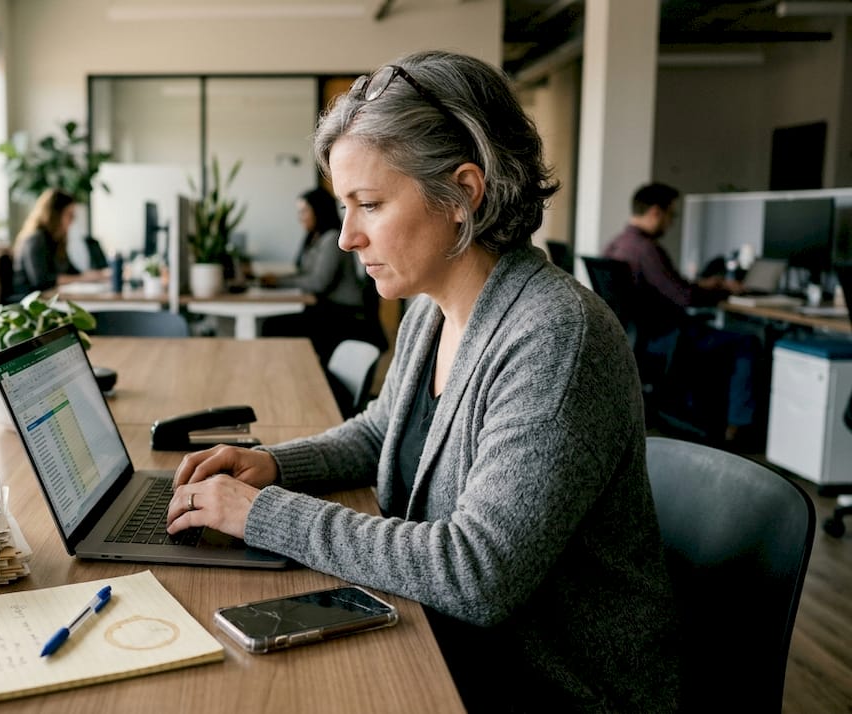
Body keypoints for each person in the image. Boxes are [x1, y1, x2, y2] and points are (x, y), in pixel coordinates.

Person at [164, 51, 678, 712]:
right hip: (447, 643)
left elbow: (476, 572)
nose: (348, 237)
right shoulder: (432, 310)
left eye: (369, 204)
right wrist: (271, 464)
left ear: (464, 193)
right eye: (342, 207)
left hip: (551, 685)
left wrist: (262, 513)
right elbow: (387, 430)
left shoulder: (554, 336)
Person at [603, 182, 761, 445]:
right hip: (666, 337)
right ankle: (738, 430)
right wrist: (722, 290)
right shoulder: (647, 249)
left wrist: (700, 284)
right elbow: (684, 297)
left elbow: (668, 286)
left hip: (638, 338)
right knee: (747, 342)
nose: (672, 222)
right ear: (656, 212)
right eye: (671, 215)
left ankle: (714, 418)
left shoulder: (617, 244)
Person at [259, 187, 385, 362]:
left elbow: (318, 282)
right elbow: (304, 274)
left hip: (344, 314)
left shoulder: (332, 239)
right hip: (329, 308)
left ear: (318, 210)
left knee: (273, 326)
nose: (300, 217)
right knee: (274, 324)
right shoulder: (315, 238)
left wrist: (277, 282)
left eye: (304, 211)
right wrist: (276, 280)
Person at [7, 188, 105, 301]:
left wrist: (98, 275)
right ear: (55, 215)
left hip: (49, 301)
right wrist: (83, 278)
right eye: (69, 215)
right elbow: (42, 281)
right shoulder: (35, 240)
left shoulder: (56, 241)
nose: (73, 220)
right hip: (30, 305)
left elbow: (72, 272)